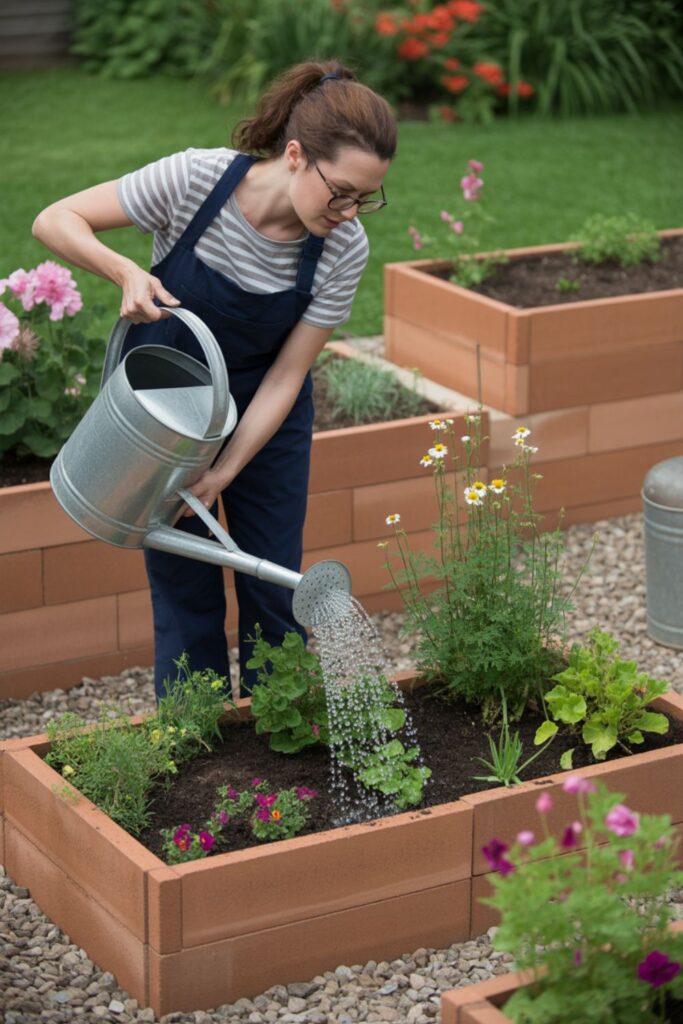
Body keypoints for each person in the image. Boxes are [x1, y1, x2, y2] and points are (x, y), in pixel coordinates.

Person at [32, 60, 397, 701]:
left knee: (274, 580)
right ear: (293, 155)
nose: (349, 211)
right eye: (340, 191)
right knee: (184, 581)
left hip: (265, 417)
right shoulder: (196, 179)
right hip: (170, 412)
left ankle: (277, 728)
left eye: (365, 198)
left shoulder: (345, 247)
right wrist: (124, 272)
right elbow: (55, 218)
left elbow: (288, 375)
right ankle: (193, 734)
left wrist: (225, 470)